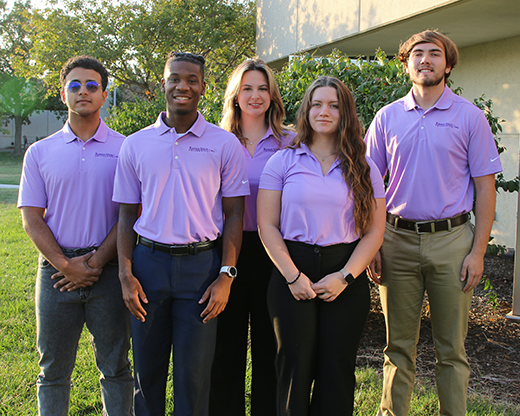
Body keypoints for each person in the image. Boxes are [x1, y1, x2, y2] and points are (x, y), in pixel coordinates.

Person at [365, 30, 503, 416]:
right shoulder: (387, 117)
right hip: (396, 240)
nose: (425, 60)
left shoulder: (470, 117)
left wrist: (478, 252)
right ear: (406, 63)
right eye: (417, 54)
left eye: (434, 53)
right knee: (397, 347)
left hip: (453, 242)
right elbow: (368, 184)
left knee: (452, 349)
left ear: (448, 62)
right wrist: (372, 244)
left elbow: (485, 190)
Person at [113, 52, 249, 416]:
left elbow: (234, 215)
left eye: (192, 79)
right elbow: (126, 216)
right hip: (148, 266)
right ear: (163, 84)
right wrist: (126, 274)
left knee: (193, 378)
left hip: (202, 269)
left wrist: (226, 275)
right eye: (175, 78)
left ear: (204, 87)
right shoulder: (135, 145)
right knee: (148, 376)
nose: (182, 86)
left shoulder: (224, 145)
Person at [257, 76, 386, 416]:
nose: (324, 111)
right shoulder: (283, 162)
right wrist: (292, 276)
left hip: (344, 269)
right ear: (306, 110)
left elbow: (374, 233)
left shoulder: (364, 166)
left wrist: (344, 277)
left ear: (345, 113)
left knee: (337, 366)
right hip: (292, 268)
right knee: (293, 364)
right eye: (316, 104)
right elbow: (266, 225)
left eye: (333, 105)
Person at [18, 55, 133, 416]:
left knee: (115, 367)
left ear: (103, 94)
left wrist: (95, 262)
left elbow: (131, 214)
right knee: (52, 371)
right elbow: (32, 218)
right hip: (55, 273)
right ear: (63, 93)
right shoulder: (39, 152)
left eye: (92, 86)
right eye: (75, 85)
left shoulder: (126, 149)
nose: (83, 92)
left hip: (109, 273)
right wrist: (66, 264)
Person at [210, 59, 295, 416]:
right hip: (226, 251)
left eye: (262, 88)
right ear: (235, 95)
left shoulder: (291, 142)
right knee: (224, 347)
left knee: (269, 346)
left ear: (272, 95)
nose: (255, 95)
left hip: (273, 252)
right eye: (247, 88)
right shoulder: (215, 141)